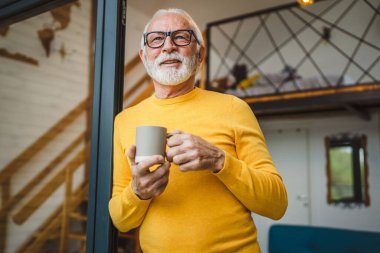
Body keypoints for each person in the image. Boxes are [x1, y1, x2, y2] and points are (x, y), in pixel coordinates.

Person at [109, 8, 287, 253]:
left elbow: (276, 204)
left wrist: (219, 160)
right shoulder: (124, 120)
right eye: (156, 39)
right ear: (144, 55)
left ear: (200, 54)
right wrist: (138, 192)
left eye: (181, 37)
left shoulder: (234, 108)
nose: (168, 46)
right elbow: (121, 220)